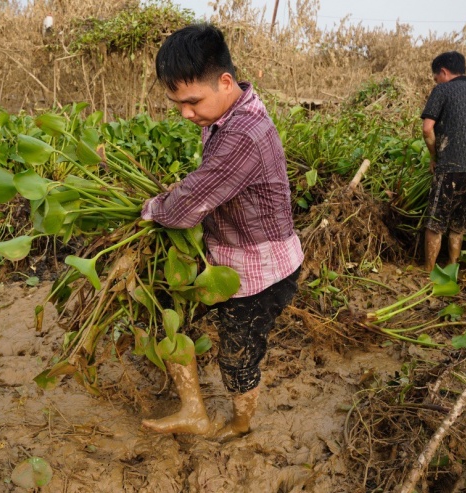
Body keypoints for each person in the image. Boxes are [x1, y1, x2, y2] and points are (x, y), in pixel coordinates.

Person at [140, 23, 304, 440]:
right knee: (172, 316)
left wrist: (153, 207)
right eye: (177, 103)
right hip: (227, 253)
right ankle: (194, 410)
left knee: (237, 357)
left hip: (260, 273)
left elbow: (183, 209)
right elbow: (209, 184)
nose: (185, 113)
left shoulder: (245, 134)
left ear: (225, 81)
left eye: (192, 102)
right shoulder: (228, 113)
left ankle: (240, 423)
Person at [421, 51, 466, 272]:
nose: (436, 81)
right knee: (458, 227)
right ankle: (452, 270)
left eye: (436, 77)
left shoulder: (442, 89)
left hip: (452, 167)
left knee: (435, 224)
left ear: (443, 72)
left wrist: (434, 157)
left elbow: (427, 129)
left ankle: (429, 274)